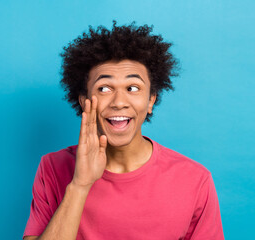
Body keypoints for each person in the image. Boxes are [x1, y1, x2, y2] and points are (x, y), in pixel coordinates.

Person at [23, 21, 224, 240]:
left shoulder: (195, 179)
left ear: (150, 101)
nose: (119, 102)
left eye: (133, 88)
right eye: (105, 88)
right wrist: (80, 185)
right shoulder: (52, 168)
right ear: (84, 101)